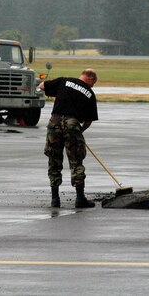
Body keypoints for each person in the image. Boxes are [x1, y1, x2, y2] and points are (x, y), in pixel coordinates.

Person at [39, 69, 99, 208]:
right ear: (90, 78)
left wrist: (57, 93)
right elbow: (88, 121)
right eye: (93, 83)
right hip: (73, 124)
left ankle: (55, 199)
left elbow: (42, 86)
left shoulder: (64, 81)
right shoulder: (89, 93)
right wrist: (79, 131)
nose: (92, 86)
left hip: (54, 122)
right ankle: (80, 199)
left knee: (54, 160)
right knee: (76, 161)